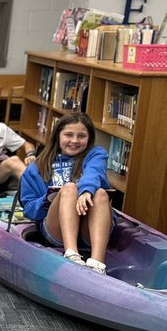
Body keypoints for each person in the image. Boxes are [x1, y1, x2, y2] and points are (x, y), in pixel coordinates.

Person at [20, 112, 115, 274]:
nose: (75, 141)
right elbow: (29, 209)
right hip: (56, 229)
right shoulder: (37, 167)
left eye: (81, 136)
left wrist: (86, 191)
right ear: (58, 136)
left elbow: (94, 172)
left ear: (89, 138)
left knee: (99, 193)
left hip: (89, 229)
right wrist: (49, 199)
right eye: (68, 135)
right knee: (69, 189)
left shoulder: (96, 155)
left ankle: (98, 263)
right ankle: (71, 254)